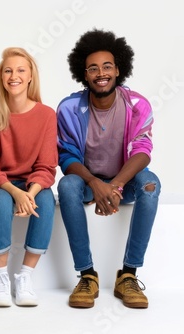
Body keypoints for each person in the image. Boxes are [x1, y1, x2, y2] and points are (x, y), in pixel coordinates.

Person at [56, 28, 161, 309]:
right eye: (93, 68)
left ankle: (128, 274)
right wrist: (95, 183)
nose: (100, 73)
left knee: (150, 184)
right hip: (87, 184)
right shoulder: (68, 108)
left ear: (117, 70)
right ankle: (87, 275)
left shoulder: (137, 105)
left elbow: (142, 151)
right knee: (66, 186)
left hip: (123, 183)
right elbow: (66, 156)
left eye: (106, 66)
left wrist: (114, 186)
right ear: (84, 74)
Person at [0, 47, 57, 307]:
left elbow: (46, 166)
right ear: (1, 77)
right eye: (8, 70)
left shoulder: (46, 115)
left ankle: (25, 276)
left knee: (45, 201)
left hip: (31, 184)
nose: (14, 76)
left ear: (31, 76)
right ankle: (0, 278)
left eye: (21, 70)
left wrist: (29, 194)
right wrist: (15, 192)